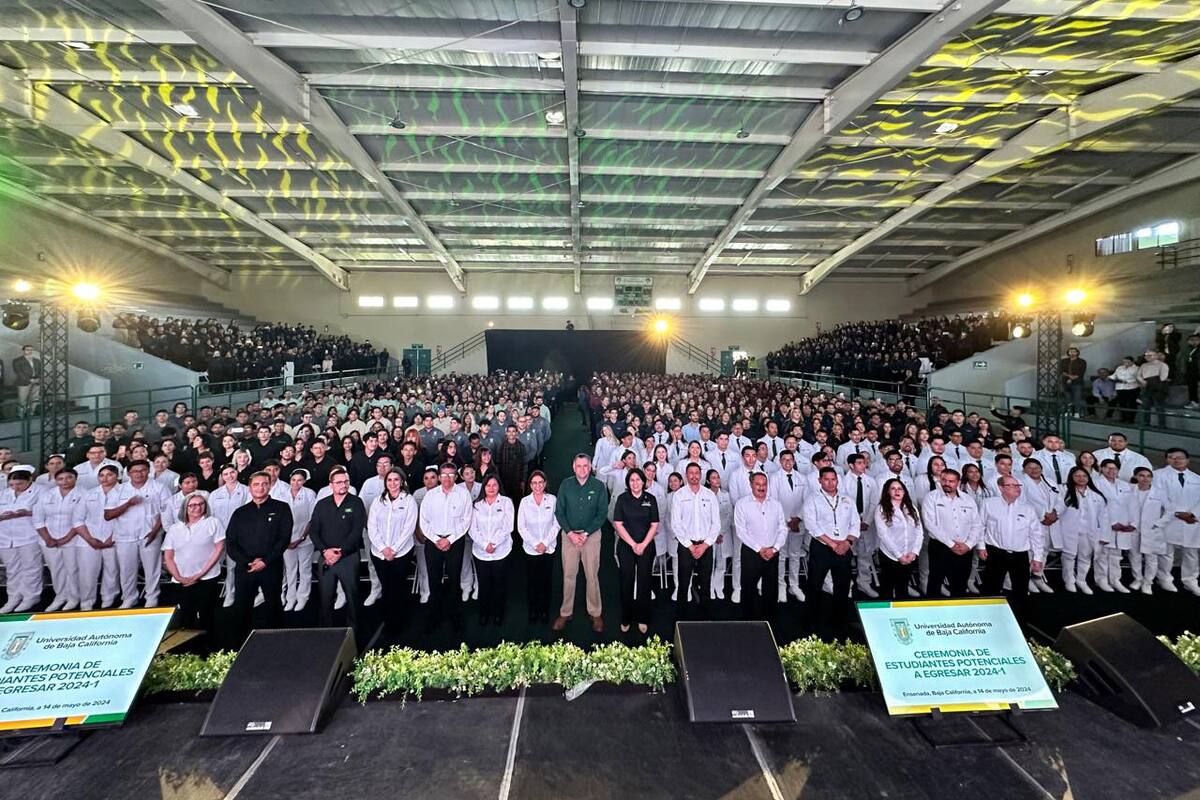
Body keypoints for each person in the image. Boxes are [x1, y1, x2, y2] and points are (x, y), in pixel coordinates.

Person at [224, 472, 292, 641]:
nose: (260, 488)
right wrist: (247, 562)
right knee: (242, 608)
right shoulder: (240, 513)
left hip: (271, 566)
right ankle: (241, 645)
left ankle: (278, 644)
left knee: (274, 607)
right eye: (256, 484)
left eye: (264, 484)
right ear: (250, 487)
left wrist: (265, 562)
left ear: (269, 486)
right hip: (245, 568)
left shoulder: (282, 508)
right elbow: (231, 543)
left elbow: (283, 539)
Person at [552, 454, 609, 633]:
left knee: (592, 575)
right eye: (579, 466)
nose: (582, 469)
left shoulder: (599, 486)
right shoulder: (565, 485)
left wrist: (586, 533)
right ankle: (565, 612)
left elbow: (602, 513)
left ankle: (595, 612)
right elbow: (559, 512)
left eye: (585, 466)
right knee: (569, 575)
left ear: (590, 467)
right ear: (573, 467)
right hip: (569, 536)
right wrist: (570, 533)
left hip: (591, 537)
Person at [309, 466, 368, 629]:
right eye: (339, 482)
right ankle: (326, 632)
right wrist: (325, 551)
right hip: (326, 558)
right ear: (331, 485)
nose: (343, 485)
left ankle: (354, 632)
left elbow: (356, 531)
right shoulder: (321, 504)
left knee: (352, 598)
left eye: (346, 482)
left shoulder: (356, 502)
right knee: (325, 599)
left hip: (349, 558)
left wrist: (340, 552)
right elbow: (314, 531)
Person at [802, 467, 860, 634]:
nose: (830, 482)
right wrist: (833, 545)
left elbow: (855, 523)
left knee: (843, 586)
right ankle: (811, 622)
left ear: (837, 480)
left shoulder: (847, 499)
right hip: (822, 547)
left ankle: (840, 621)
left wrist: (847, 542)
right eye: (826, 479)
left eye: (833, 479)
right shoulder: (812, 499)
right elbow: (812, 525)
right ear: (819, 481)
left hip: (844, 547)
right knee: (815, 585)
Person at [105, 459, 169, 608]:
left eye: (143, 470)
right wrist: (128, 504)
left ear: (149, 471)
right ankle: (129, 598)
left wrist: (155, 531)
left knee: (152, 569)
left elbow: (165, 512)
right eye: (135, 471)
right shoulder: (118, 490)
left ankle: (152, 597)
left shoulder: (159, 487)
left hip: (150, 534)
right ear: (128, 474)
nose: (139, 474)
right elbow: (108, 515)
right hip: (124, 536)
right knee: (126, 569)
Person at [418, 463, 473, 633]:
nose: (447, 478)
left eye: (450, 475)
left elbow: (466, 520)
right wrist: (436, 540)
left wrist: (449, 539)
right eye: (443, 475)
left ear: (456, 477)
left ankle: (455, 617)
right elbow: (423, 521)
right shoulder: (430, 495)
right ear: (439, 477)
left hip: (454, 542)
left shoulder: (463, 494)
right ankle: (434, 617)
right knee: (434, 580)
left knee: (454, 581)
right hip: (433, 542)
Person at [979, 477, 1043, 619]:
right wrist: (981, 547)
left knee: (1021, 589)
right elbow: (980, 526)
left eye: (1017, 485)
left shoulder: (1028, 509)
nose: (1017, 488)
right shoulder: (988, 504)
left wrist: (1038, 557)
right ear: (1001, 488)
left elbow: (1036, 534)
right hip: (996, 553)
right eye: (1011, 485)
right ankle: (987, 618)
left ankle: (1019, 620)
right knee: (991, 587)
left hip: (1020, 555)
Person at [162, 493, 225, 637]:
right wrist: (178, 577)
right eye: (192, 505)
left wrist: (200, 574)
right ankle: (188, 646)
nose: (197, 507)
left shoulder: (213, 522)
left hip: (207, 578)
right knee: (186, 616)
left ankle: (208, 645)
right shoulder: (174, 528)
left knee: (207, 615)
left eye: (201, 504)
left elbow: (219, 549)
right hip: (181, 580)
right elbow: (168, 556)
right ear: (185, 507)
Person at [366, 468, 418, 635]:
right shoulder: (377, 501)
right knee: (386, 588)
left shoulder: (409, 500)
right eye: (389, 480)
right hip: (379, 553)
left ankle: (400, 622)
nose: (393, 483)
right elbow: (372, 527)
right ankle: (388, 620)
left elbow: (409, 528)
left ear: (402, 481)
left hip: (401, 553)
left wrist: (394, 549)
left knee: (398, 588)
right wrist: (383, 548)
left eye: (396, 479)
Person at [920, 469, 983, 598]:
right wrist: (951, 544)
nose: (947, 483)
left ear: (958, 483)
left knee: (960, 585)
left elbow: (977, 525)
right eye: (944, 480)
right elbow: (930, 524)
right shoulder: (931, 497)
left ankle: (957, 609)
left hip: (965, 549)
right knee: (935, 583)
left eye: (951, 481)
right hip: (940, 547)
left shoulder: (968, 499)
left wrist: (968, 545)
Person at [734, 472, 787, 621]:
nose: (761, 487)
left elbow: (783, 528)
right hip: (752, 553)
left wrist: (774, 548)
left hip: (772, 552)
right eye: (757, 484)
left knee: (771, 589)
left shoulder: (776, 504)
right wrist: (759, 549)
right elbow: (741, 531)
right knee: (748, 589)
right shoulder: (742, 504)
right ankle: (748, 622)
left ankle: (770, 621)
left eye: (764, 484)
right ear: (751, 485)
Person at [33, 467, 87, 612]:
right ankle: (60, 597)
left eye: (69, 477)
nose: (65, 481)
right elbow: (38, 519)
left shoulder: (84, 494)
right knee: (56, 570)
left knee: (73, 569)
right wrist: (48, 538)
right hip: (48, 540)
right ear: (56, 480)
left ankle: (74, 598)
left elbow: (83, 519)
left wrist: (66, 538)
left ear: (75, 478)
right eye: (60, 479)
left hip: (74, 539)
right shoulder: (47, 495)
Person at [671, 463, 720, 620]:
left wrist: (705, 545)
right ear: (686, 476)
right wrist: (691, 546)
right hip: (686, 546)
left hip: (706, 546)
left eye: (697, 473)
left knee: (705, 583)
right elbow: (676, 524)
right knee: (683, 583)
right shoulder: (679, 495)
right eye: (690, 473)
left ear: (701, 475)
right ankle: (681, 618)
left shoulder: (709, 495)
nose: (694, 476)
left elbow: (716, 524)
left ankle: (705, 617)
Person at [613, 467, 658, 635]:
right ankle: (626, 618)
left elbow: (654, 524)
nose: (635, 483)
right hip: (627, 546)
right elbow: (618, 524)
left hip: (646, 545)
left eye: (638, 479)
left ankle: (643, 618)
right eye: (632, 480)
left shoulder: (650, 499)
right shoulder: (622, 499)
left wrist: (643, 544)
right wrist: (633, 544)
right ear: (628, 483)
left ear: (643, 481)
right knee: (627, 581)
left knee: (644, 582)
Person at [1154, 447, 1200, 595]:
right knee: (1166, 552)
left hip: (1191, 521)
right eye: (1172, 457)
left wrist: (1193, 514)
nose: (1176, 460)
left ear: (1187, 460)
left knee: (1191, 553)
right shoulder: (1158, 475)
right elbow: (1157, 497)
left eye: (1180, 457)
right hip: (1168, 519)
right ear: (1167, 460)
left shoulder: (1197, 478)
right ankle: (1164, 578)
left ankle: (1190, 580)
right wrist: (1177, 513)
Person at [469, 475, 514, 626]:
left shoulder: (506, 502)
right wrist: (484, 544)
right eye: (488, 485)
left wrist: (494, 544)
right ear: (484, 487)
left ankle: (498, 613)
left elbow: (508, 526)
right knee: (484, 583)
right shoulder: (477, 505)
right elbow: (472, 529)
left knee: (499, 583)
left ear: (499, 486)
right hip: (481, 552)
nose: (491, 488)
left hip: (501, 551)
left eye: (494, 485)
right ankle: (484, 613)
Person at [76, 464, 122, 610]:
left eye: (109, 475)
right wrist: (90, 539)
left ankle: (108, 599)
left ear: (117, 476)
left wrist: (112, 538)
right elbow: (78, 519)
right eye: (101, 475)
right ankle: (86, 602)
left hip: (114, 539)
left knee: (112, 570)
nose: (105, 478)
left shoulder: (124, 492)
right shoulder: (89, 494)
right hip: (89, 540)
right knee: (87, 573)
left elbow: (127, 519)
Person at [1059, 466, 1110, 595]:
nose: (1081, 478)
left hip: (1089, 532)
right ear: (1071, 477)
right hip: (1069, 531)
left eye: (1084, 476)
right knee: (1069, 556)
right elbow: (1058, 510)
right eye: (1077, 476)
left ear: (1089, 478)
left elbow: (1104, 517)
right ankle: (1069, 581)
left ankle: (1081, 580)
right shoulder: (1064, 492)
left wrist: (1104, 536)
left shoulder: (1097, 495)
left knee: (1085, 557)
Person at [0, 466, 44, 613]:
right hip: (6, 537)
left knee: (31, 567)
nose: (15, 487)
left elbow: (48, 511)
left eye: (19, 484)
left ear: (29, 479)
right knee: (12, 569)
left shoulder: (41, 491)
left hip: (30, 536)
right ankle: (13, 598)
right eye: (12, 484)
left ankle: (31, 597)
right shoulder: (4, 493)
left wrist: (28, 513)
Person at [518, 471, 558, 624]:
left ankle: (544, 610)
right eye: (534, 483)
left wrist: (545, 543)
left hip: (548, 549)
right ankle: (533, 610)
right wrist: (535, 544)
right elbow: (521, 527)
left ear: (545, 483)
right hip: (531, 549)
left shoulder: (552, 500)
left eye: (540, 482)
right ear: (530, 485)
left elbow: (556, 524)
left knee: (546, 581)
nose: (538, 486)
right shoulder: (524, 502)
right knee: (532, 582)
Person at [873, 478, 922, 600]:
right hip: (890, 555)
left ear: (904, 492)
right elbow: (883, 535)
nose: (897, 491)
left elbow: (919, 531)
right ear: (888, 491)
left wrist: (914, 552)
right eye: (893, 489)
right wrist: (899, 555)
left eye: (900, 489)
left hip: (909, 555)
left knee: (903, 588)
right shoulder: (881, 509)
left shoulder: (911, 508)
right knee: (887, 589)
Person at [210, 464, 251, 608]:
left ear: (237, 472)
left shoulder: (246, 491)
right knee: (215, 565)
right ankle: (215, 593)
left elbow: (248, 513)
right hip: (219, 536)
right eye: (226, 474)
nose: (230, 476)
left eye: (232, 472)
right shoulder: (215, 494)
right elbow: (211, 516)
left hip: (239, 535)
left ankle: (231, 594)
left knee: (233, 566)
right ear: (222, 476)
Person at [769, 450, 807, 602]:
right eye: (784, 459)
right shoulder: (774, 478)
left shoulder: (802, 478)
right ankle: (781, 586)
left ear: (794, 461)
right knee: (781, 556)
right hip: (781, 524)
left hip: (798, 523)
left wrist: (798, 519)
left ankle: (794, 585)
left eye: (790, 459)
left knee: (795, 555)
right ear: (779, 461)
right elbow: (774, 500)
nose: (787, 462)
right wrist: (788, 521)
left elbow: (806, 501)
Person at [280, 469, 316, 611]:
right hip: (287, 542)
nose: (296, 483)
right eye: (293, 480)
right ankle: (291, 598)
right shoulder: (282, 494)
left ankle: (303, 597)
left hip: (305, 540)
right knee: (290, 570)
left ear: (304, 481)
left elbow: (312, 519)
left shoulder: (309, 494)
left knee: (305, 569)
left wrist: (301, 538)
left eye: (299, 480)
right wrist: (285, 540)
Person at [12, 345, 41, 416]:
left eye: (31, 350)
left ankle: (31, 413)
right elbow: (19, 372)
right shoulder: (17, 360)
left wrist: (39, 378)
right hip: (23, 382)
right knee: (22, 400)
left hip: (36, 382)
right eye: (27, 349)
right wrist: (30, 380)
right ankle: (21, 415)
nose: (29, 351)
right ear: (23, 351)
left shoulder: (37, 360)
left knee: (35, 399)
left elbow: (41, 371)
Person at [1060, 346, 1087, 416]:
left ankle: (1077, 413)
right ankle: (1068, 412)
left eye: (1074, 351)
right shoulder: (1064, 361)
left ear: (1077, 353)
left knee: (1077, 398)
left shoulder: (1082, 361)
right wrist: (1069, 376)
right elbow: (1061, 371)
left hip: (1077, 382)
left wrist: (1071, 378)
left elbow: (1081, 373)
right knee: (1067, 398)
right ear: (1068, 353)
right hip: (1065, 382)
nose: (1072, 353)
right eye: (1071, 351)